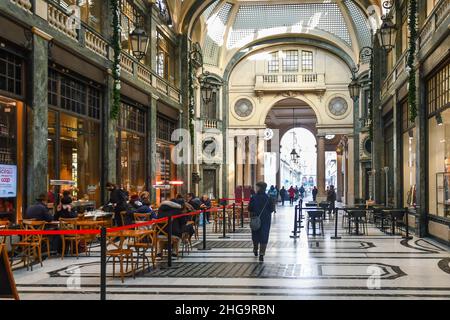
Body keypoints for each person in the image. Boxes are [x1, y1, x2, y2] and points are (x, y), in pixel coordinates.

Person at [248, 181, 274, 262]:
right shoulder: (269, 198)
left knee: (255, 234)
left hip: (255, 219)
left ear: (259, 188)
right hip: (266, 219)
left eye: (256, 187)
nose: (256, 188)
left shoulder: (254, 197)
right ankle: (262, 253)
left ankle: (255, 249)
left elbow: (249, 208)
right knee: (264, 235)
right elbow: (272, 209)